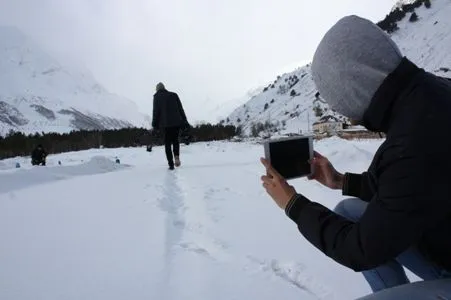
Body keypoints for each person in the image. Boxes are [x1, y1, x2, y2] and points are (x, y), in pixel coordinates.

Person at [260, 15, 451, 297]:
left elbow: (360, 250)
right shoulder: (430, 96)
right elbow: (410, 189)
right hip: (440, 233)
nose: (344, 113)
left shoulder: (411, 144)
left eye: (338, 101)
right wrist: (340, 181)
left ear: (353, 87)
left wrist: (292, 204)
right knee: (349, 213)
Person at [152, 82, 189, 170]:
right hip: (176, 122)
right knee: (175, 140)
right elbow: (180, 108)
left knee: (167, 143)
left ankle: (171, 164)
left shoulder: (156, 97)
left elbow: (156, 111)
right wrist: (184, 121)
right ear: (164, 88)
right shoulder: (174, 95)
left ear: (157, 89)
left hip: (164, 125)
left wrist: (155, 124)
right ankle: (176, 156)